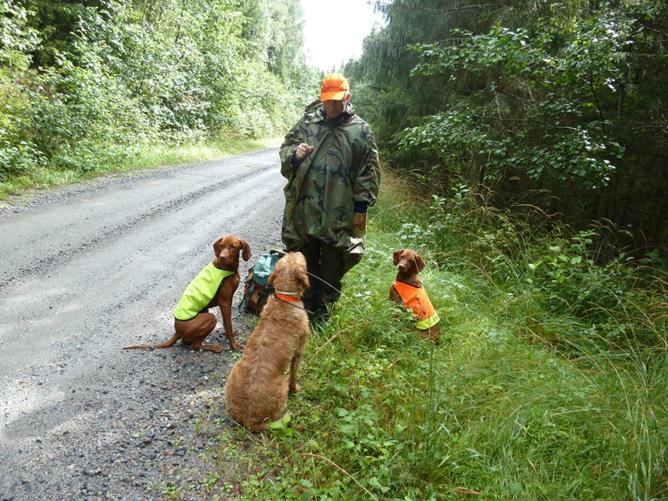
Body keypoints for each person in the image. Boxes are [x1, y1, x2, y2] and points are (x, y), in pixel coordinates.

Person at [279, 73, 380, 321]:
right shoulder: (308, 123)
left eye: (337, 101)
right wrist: (295, 154)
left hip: (340, 211)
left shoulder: (360, 130)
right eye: (328, 101)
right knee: (305, 261)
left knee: (334, 265)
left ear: (348, 97)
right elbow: (285, 150)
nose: (332, 106)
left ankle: (325, 314)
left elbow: (369, 170)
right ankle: (307, 312)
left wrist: (360, 207)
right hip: (306, 208)